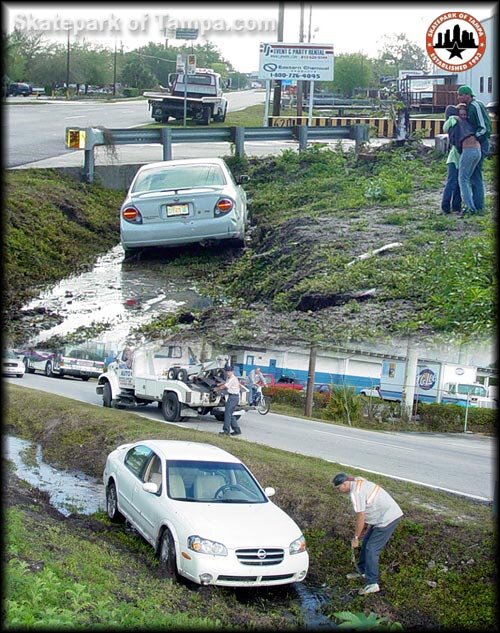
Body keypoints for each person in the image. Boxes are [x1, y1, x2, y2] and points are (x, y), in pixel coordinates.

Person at [332, 472, 403, 596]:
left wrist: (355, 537)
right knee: (366, 543)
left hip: (387, 518)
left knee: (372, 549)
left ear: (345, 483)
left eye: (338, 488)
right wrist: (361, 535)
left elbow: (361, 517)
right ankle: (363, 571)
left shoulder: (356, 493)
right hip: (380, 517)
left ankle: (372, 583)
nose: (338, 491)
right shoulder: (358, 482)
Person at [457, 85, 492, 213]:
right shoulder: (470, 107)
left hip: (480, 142)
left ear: (467, 95)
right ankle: (478, 205)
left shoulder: (475, 106)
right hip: (478, 142)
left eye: (460, 94)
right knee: (474, 175)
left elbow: (483, 127)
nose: (458, 97)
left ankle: (477, 206)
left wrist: (473, 138)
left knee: (475, 175)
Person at [441, 105, 462, 214]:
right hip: (456, 158)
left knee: (453, 182)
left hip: (454, 158)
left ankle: (450, 205)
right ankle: (452, 205)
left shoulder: (452, 124)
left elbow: (445, 128)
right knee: (455, 182)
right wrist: (453, 118)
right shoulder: (454, 121)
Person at [215, 367, 242, 436]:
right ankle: (237, 430)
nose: (228, 373)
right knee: (230, 414)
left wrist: (216, 389)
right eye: (227, 371)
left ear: (232, 372)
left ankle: (226, 431)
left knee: (227, 414)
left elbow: (225, 386)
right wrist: (218, 384)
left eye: (229, 372)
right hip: (233, 397)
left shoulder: (233, 378)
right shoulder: (229, 378)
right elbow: (225, 383)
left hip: (233, 397)